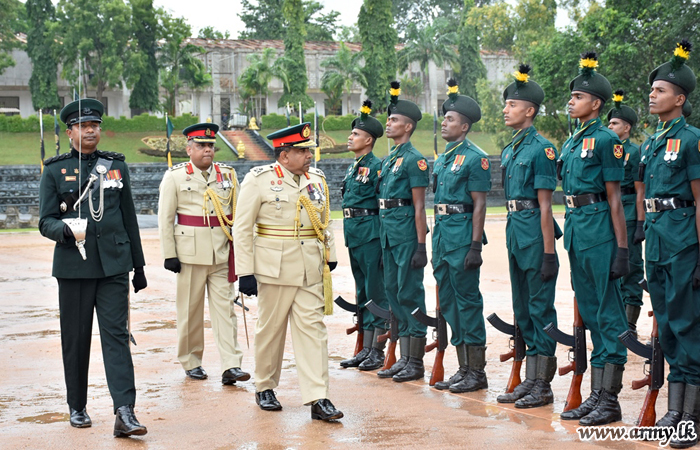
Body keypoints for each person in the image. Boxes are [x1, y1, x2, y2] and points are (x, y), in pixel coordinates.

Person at [38, 99, 148, 437]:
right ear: (70, 131)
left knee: (116, 337)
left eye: (95, 126)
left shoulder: (116, 166)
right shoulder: (55, 170)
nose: (90, 131)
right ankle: (77, 405)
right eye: (83, 127)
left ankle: (124, 412)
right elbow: (45, 221)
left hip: (114, 266)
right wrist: (66, 231)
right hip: (74, 267)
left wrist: (138, 266)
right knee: (76, 339)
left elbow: (129, 218)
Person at [233, 122, 343, 422]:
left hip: (310, 265)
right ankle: (265, 386)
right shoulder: (259, 180)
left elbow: (326, 218)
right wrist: (245, 271)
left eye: (308, 150)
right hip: (273, 267)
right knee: (271, 330)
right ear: (284, 155)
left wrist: (329, 254)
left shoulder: (317, 179)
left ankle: (318, 397)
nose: (309, 155)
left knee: (313, 330)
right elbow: (242, 228)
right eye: (302, 151)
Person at [557, 52, 629, 426]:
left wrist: (621, 248)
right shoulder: (571, 142)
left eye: (578, 97)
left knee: (608, 313)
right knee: (591, 314)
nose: (571, 101)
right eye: (571, 96)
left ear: (596, 104)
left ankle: (609, 399)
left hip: (600, 231)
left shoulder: (605, 140)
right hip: (576, 231)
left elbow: (615, 198)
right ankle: (596, 394)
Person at [640, 40, 700, 449]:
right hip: (658, 243)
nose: (652, 94)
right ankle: (675, 411)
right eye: (652, 89)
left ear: (679, 98)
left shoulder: (692, 139)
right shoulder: (651, 141)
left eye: (660, 90)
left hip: (683, 245)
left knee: (688, 326)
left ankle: (691, 417)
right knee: (669, 331)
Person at [158, 122, 250, 385]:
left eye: (210, 146)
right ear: (189, 149)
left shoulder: (228, 175)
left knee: (226, 310)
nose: (207, 150)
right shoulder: (175, 177)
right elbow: (165, 218)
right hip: (189, 255)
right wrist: (169, 254)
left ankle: (231, 365)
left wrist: (241, 253)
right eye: (201, 146)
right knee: (190, 311)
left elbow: (239, 217)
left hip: (221, 252)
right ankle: (191, 360)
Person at [496, 66, 561, 406]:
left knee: (540, 308)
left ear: (530, 110)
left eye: (511, 104)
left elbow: (546, 206)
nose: (505, 109)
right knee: (522, 309)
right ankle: (531, 378)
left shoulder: (542, 149)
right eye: (506, 104)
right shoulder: (511, 149)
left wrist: (549, 253)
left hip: (536, 234)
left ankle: (543, 384)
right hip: (514, 232)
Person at [429, 79, 490, 393]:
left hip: (463, 237)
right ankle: (463, 367)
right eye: (444, 117)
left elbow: (479, 203)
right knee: (450, 304)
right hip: (442, 238)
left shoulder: (474, 157)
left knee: (467, 303)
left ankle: (476, 371)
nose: (444, 122)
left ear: (464, 126)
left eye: (450, 119)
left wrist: (475, 246)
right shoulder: (443, 158)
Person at [376, 81, 430, 383]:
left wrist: (421, 245)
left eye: (394, 120)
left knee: (410, 293)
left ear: (407, 126)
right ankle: (406, 357)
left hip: (407, 236)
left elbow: (420, 206)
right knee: (395, 294)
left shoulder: (414, 160)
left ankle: (415, 360)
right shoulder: (390, 160)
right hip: (389, 236)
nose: (389, 123)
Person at [338, 100, 390, 371]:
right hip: (354, 234)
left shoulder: (377, 166)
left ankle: (376, 349)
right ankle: (364, 347)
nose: (350, 136)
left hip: (370, 234)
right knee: (361, 292)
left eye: (356, 134)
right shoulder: (353, 166)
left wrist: (383, 242)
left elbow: (382, 206)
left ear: (368, 139)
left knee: (375, 292)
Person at [606, 90, 645, 337]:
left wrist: (641, 222)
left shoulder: (636, 152)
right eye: (608, 122)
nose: (610, 126)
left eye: (615, 123)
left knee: (630, 267)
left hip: (629, 211)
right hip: (608, 212)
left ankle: (629, 324)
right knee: (611, 267)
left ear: (627, 127)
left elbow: (641, 191)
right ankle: (614, 319)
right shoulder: (605, 148)